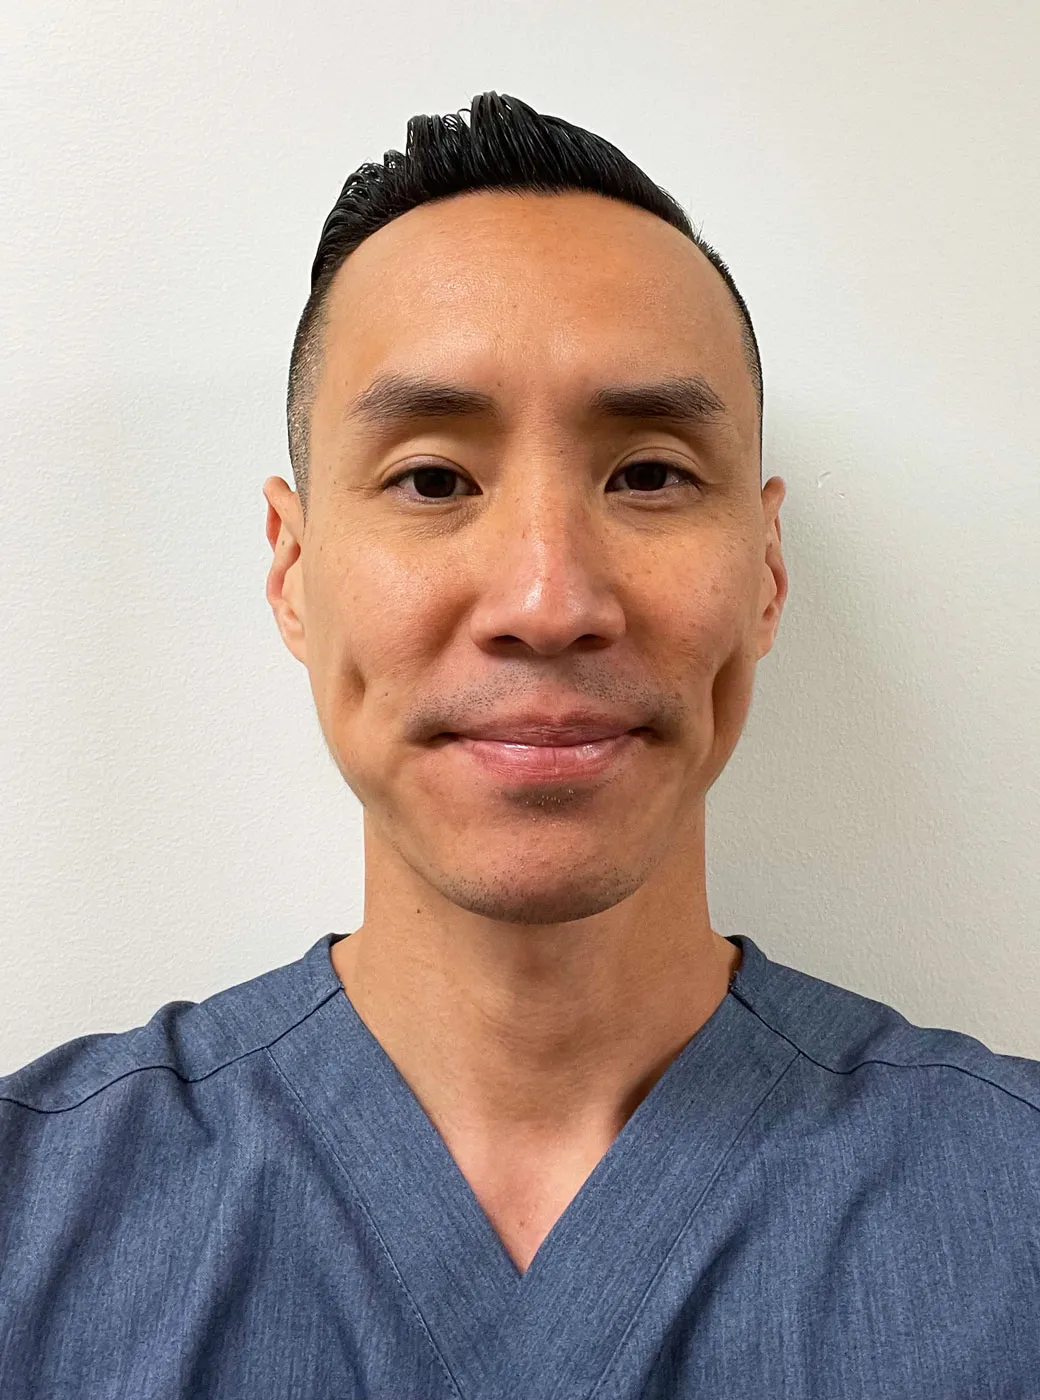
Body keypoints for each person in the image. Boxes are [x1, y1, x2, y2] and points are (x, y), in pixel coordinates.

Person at [1, 91, 1037, 1400]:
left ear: (764, 571)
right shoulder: (32, 1229)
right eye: (433, 478)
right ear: (293, 572)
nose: (550, 602)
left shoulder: (1014, 1222)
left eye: (649, 475)